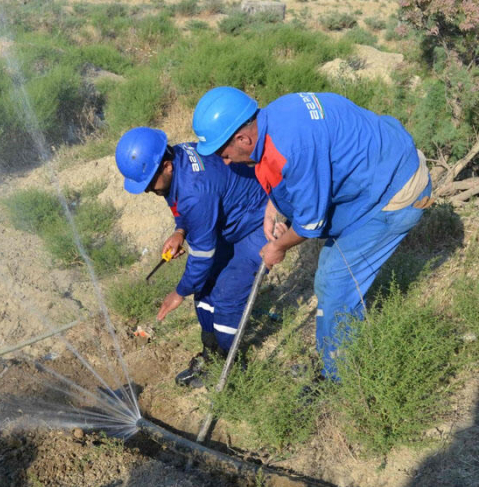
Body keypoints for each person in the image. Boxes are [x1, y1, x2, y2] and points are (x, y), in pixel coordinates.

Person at [192, 87, 433, 380]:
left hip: (393, 192)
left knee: (335, 282)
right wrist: (273, 207)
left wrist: (278, 247)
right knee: (334, 280)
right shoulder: (276, 116)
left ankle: (339, 378)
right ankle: (335, 359)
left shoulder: (293, 149)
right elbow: (294, 179)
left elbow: (311, 224)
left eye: (223, 152)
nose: (225, 160)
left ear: (243, 138)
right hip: (380, 167)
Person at [115, 127, 283, 388]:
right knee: (204, 289)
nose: (148, 190)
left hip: (256, 223)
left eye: (148, 183)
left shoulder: (194, 190)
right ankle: (211, 355)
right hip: (228, 223)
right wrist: (180, 231)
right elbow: (181, 207)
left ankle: (230, 367)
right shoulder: (177, 157)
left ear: (167, 166)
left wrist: (179, 292)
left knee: (228, 295)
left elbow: (203, 255)